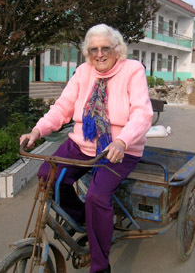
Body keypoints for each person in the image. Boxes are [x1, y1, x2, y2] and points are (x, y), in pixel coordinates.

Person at [20, 23, 153, 273]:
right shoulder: (83, 72)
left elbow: (142, 113)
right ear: (86, 52)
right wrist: (37, 130)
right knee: (45, 177)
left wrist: (122, 141)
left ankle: (100, 266)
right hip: (81, 144)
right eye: (93, 50)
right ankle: (81, 217)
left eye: (105, 48)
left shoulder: (132, 70)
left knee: (97, 197)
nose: (99, 54)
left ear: (117, 49)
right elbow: (62, 107)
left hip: (118, 149)